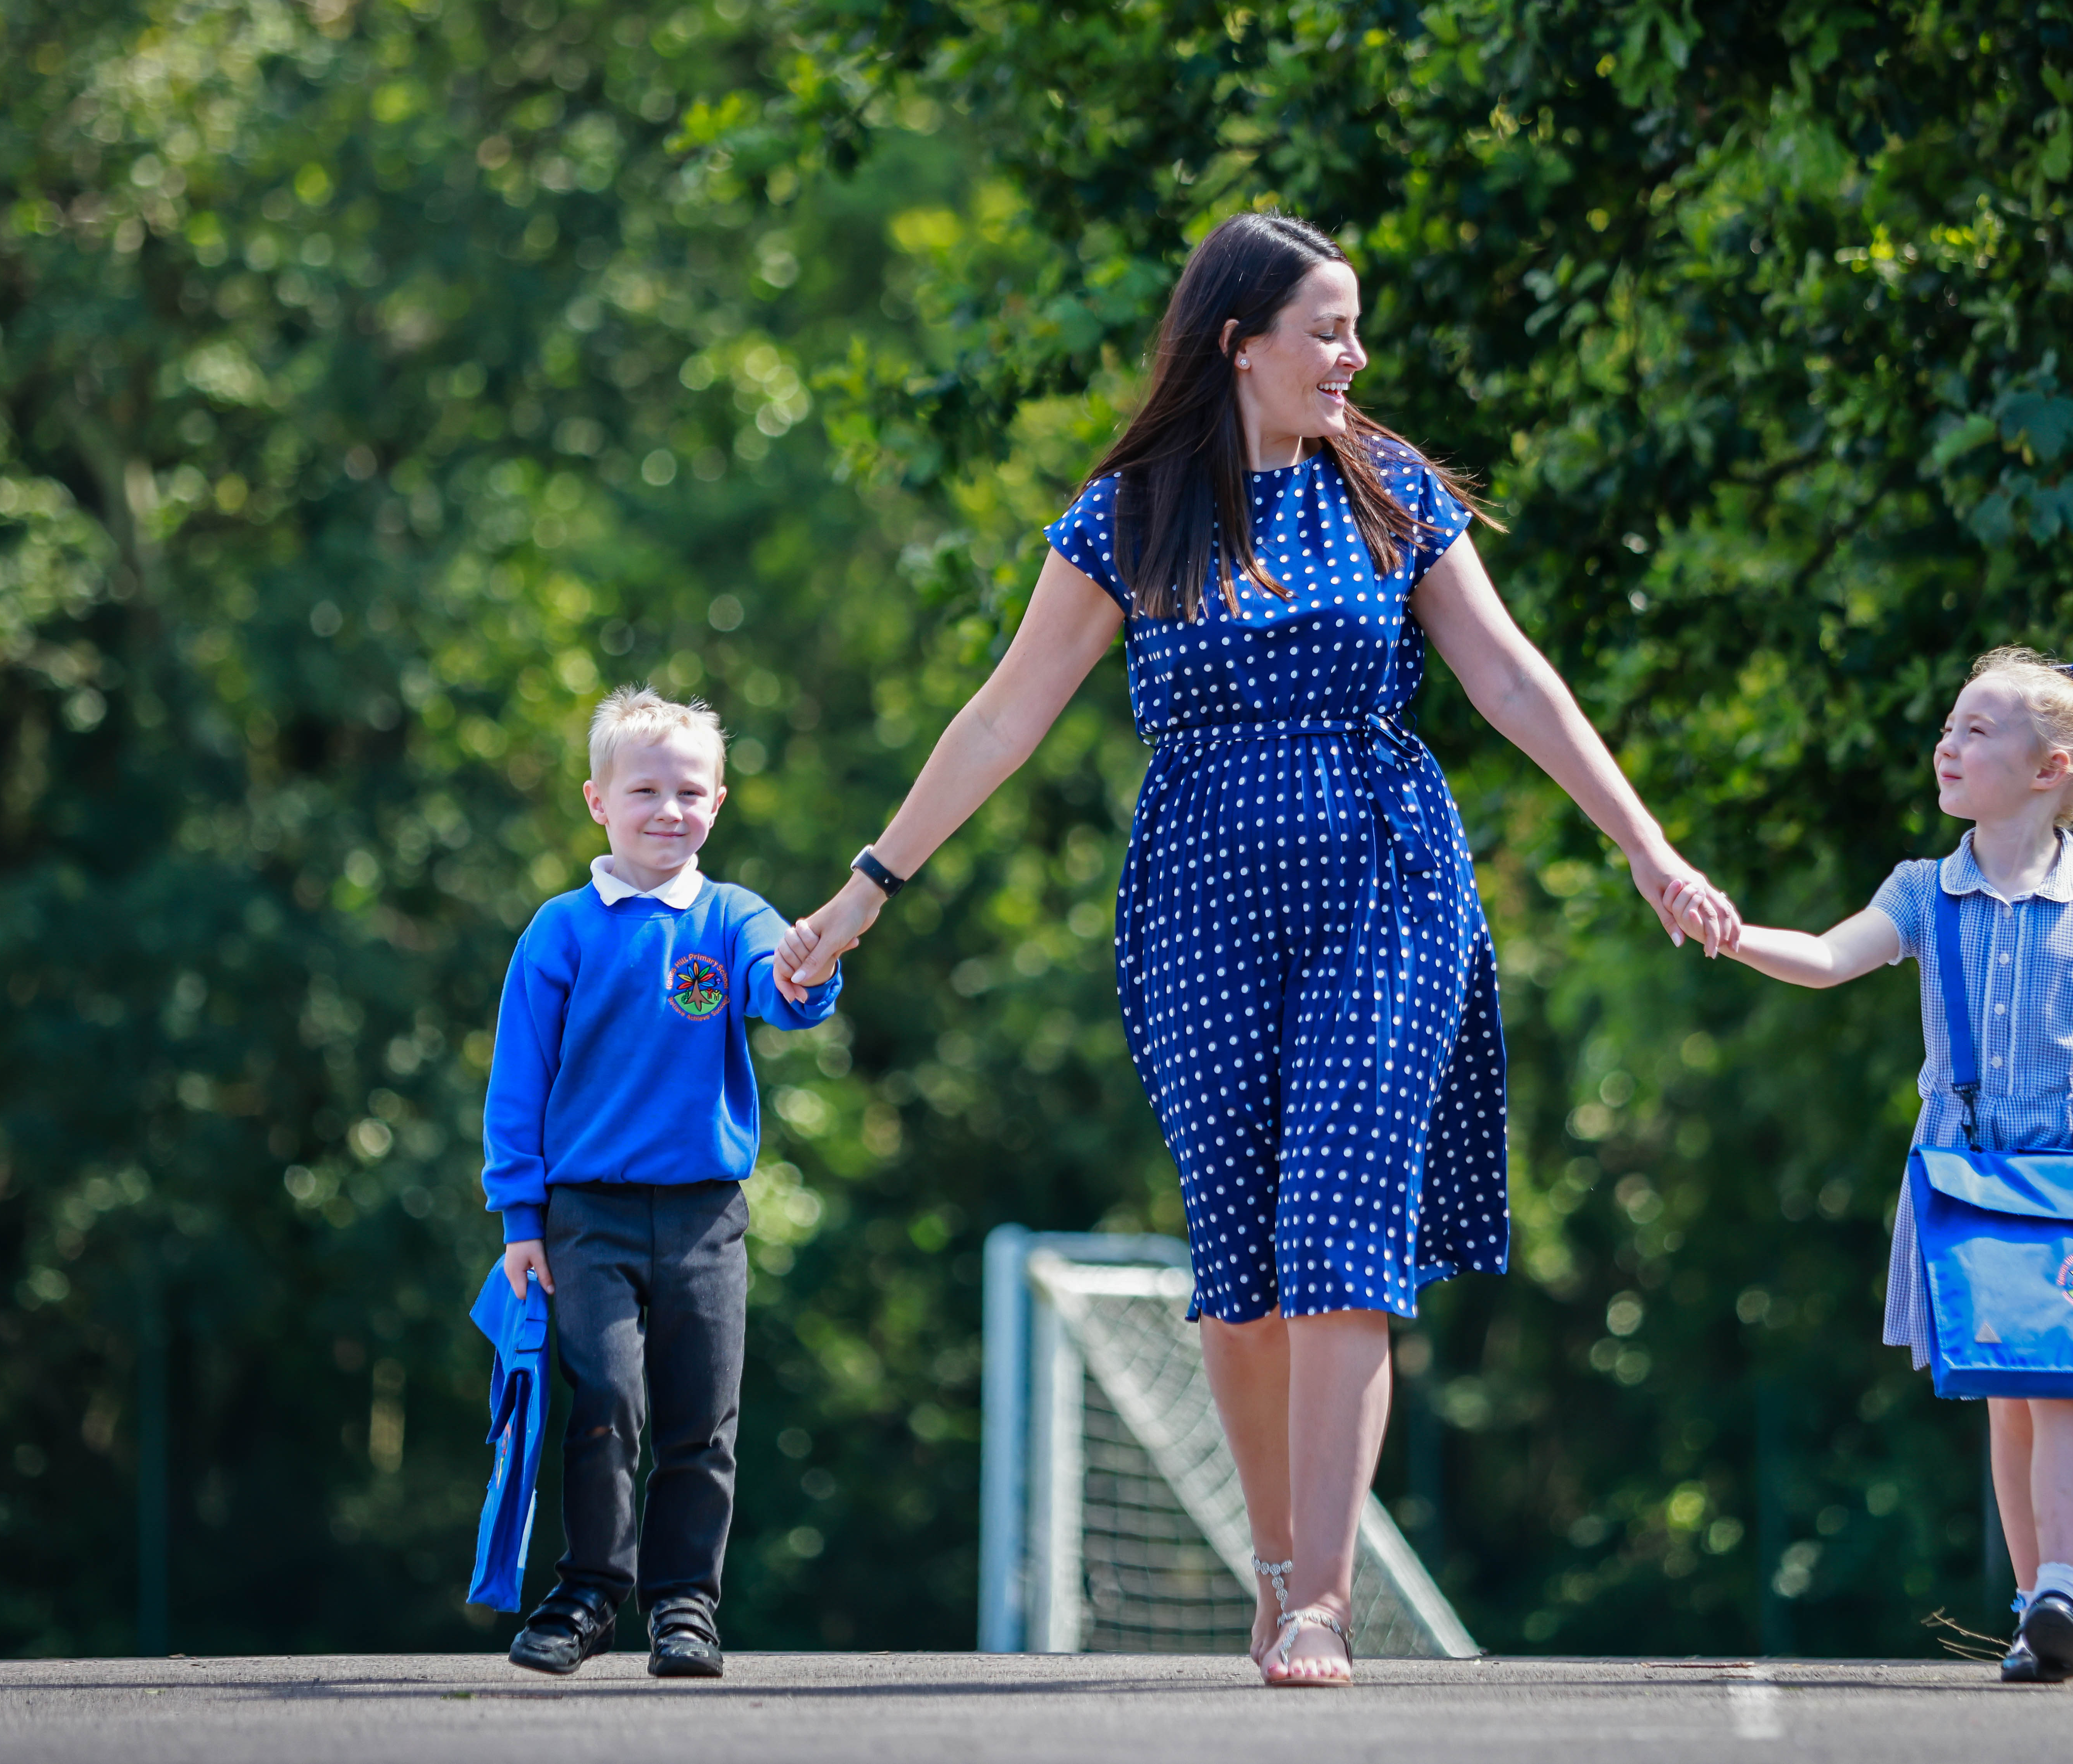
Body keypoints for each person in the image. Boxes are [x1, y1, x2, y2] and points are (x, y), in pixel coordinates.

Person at [775, 211, 1739, 1685]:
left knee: (1342, 1231)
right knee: (1241, 1257)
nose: (1353, 356)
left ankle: (1323, 1606)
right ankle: (1276, 1563)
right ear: (1241, 344)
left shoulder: (1394, 493)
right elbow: (1003, 714)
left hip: (1385, 878)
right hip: (1202, 899)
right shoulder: (1129, 514)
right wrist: (867, 887)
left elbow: (1508, 678)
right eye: (1327, 330)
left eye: (1355, 329)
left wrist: (1645, 842)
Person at [1663, 648, 2073, 1684]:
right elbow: (1822, 957)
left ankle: (2063, 1585)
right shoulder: (1921, 889)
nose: (1947, 743)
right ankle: (2038, 1606)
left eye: (1976, 730)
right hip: (1966, 1182)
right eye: (1949, 725)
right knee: (2004, 1388)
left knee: (2062, 1380)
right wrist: (1726, 930)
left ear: (2049, 770)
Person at [481, 687, 841, 1679]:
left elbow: (784, 987)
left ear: (718, 802)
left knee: (701, 1414)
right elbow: (518, 1083)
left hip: (703, 1220)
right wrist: (520, 1216)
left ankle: (684, 1604)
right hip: (582, 1215)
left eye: (691, 791)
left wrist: (810, 967)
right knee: (603, 1394)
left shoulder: (734, 918)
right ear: (598, 800)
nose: (668, 810)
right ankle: (592, 1592)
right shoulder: (560, 932)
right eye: (645, 789)